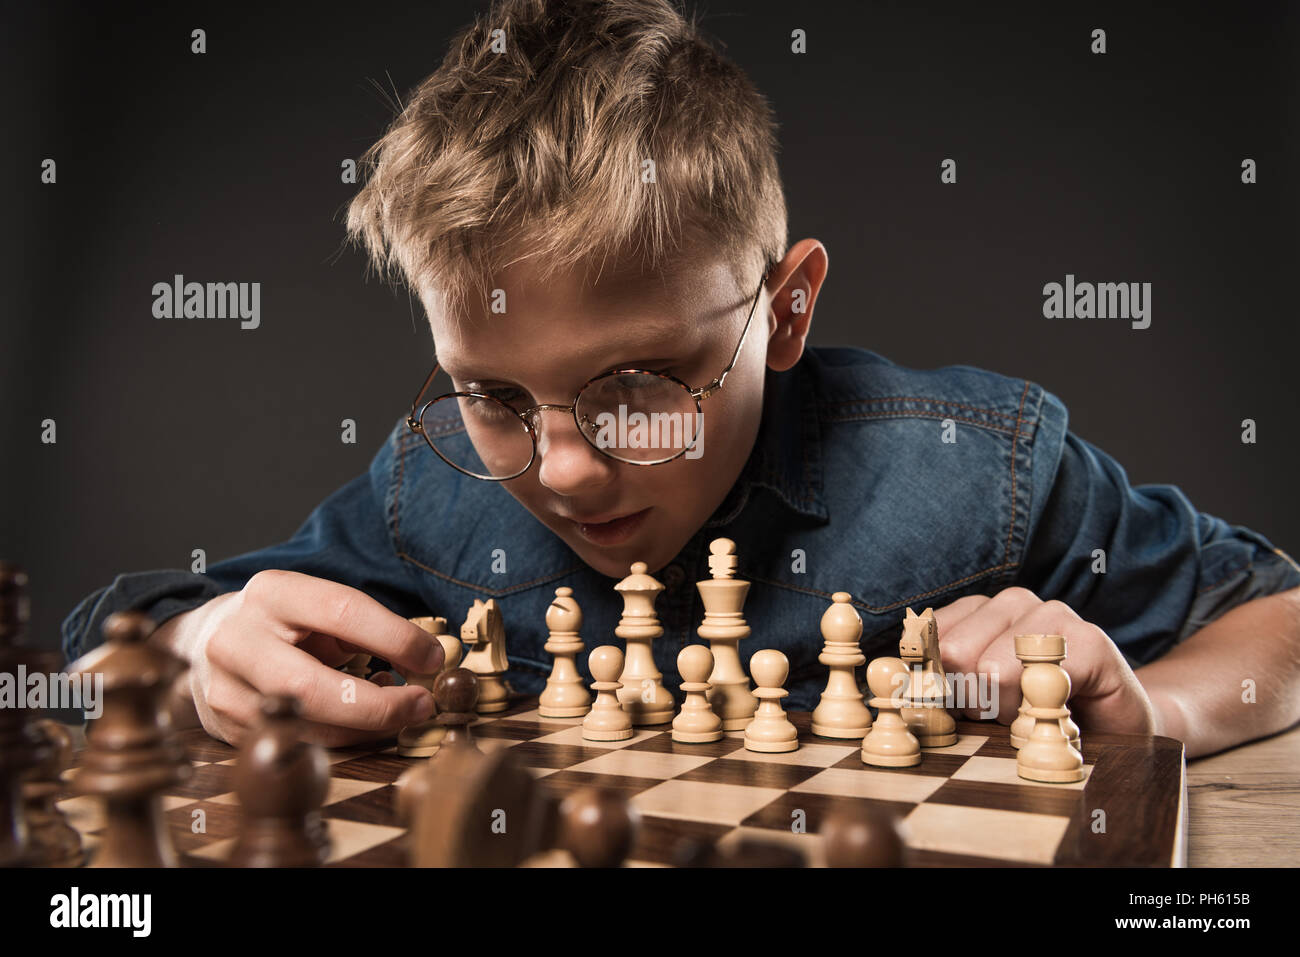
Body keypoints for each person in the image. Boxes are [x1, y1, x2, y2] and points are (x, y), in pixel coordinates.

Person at [63, 0, 1300, 756]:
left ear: (787, 306)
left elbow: (1281, 626)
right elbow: (95, 665)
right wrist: (197, 653)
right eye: (493, 395)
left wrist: (1153, 713)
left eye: (639, 382)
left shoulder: (978, 474)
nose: (560, 469)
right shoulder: (427, 490)